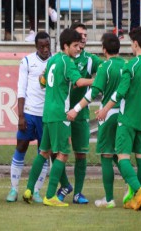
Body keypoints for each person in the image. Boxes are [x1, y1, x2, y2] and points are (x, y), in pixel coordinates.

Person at [22, 28, 94, 206]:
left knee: (44, 152)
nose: (78, 49)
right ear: (65, 46)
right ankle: (50, 196)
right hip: (60, 113)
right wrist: (97, 81)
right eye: (75, 46)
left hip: (47, 113)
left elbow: (42, 81)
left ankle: (29, 189)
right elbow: (78, 82)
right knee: (62, 154)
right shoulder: (67, 61)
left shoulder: (52, 60)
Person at [96, 27, 141, 211]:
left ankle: (139, 192)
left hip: (126, 120)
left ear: (135, 44)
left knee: (122, 156)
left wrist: (105, 110)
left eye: (131, 44)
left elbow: (120, 92)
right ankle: (136, 199)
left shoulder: (131, 65)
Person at [67, 33, 126, 208]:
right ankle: (132, 186)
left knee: (107, 155)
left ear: (104, 49)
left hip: (107, 115)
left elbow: (92, 93)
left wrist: (76, 109)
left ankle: (109, 199)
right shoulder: (127, 65)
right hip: (124, 116)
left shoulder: (105, 67)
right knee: (121, 154)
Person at [56, 22, 103, 204]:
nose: (83, 38)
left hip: (80, 114)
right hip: (62, 113)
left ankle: (78, 193)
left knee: (81, 154)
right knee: (59, 153)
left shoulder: (90, 59)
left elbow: (106, 70)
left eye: (85, 35)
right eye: (79, 35)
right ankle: (65, 185)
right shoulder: (61, 59)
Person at [6, 31, 52, 203]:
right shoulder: (26, 61)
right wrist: (21, 116)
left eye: (48, 45)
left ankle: (37, 191)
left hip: (47, 116)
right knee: (21, 147)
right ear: (36, 46)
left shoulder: (55, 62)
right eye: (42, 46)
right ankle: (13, 189)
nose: (45, 49)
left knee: (44, 152)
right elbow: (21, 89)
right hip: (30, 113)